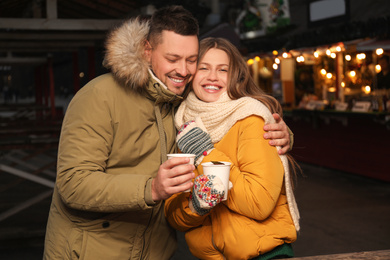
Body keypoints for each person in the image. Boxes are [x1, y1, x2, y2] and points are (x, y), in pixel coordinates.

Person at [43, 5, 292, 260]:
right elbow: (73, 183)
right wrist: (151, 189)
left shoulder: (182, 102)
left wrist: (279, 131)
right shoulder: (99, 96)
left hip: (154, 251)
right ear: (147, 50)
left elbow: (230, 110)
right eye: (172, 59)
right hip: (92, 251)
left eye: (192, 60)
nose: (183, 70)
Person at [165, 37, 300, 260]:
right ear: (191, 73)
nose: (212, 77)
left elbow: (260, 202)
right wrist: (195, 207)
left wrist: (205, 153)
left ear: (235, 75)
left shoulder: (251, 117)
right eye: (203, 68)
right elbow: (173, 216)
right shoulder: (183, 123)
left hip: (264, 254)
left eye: (223, 70)